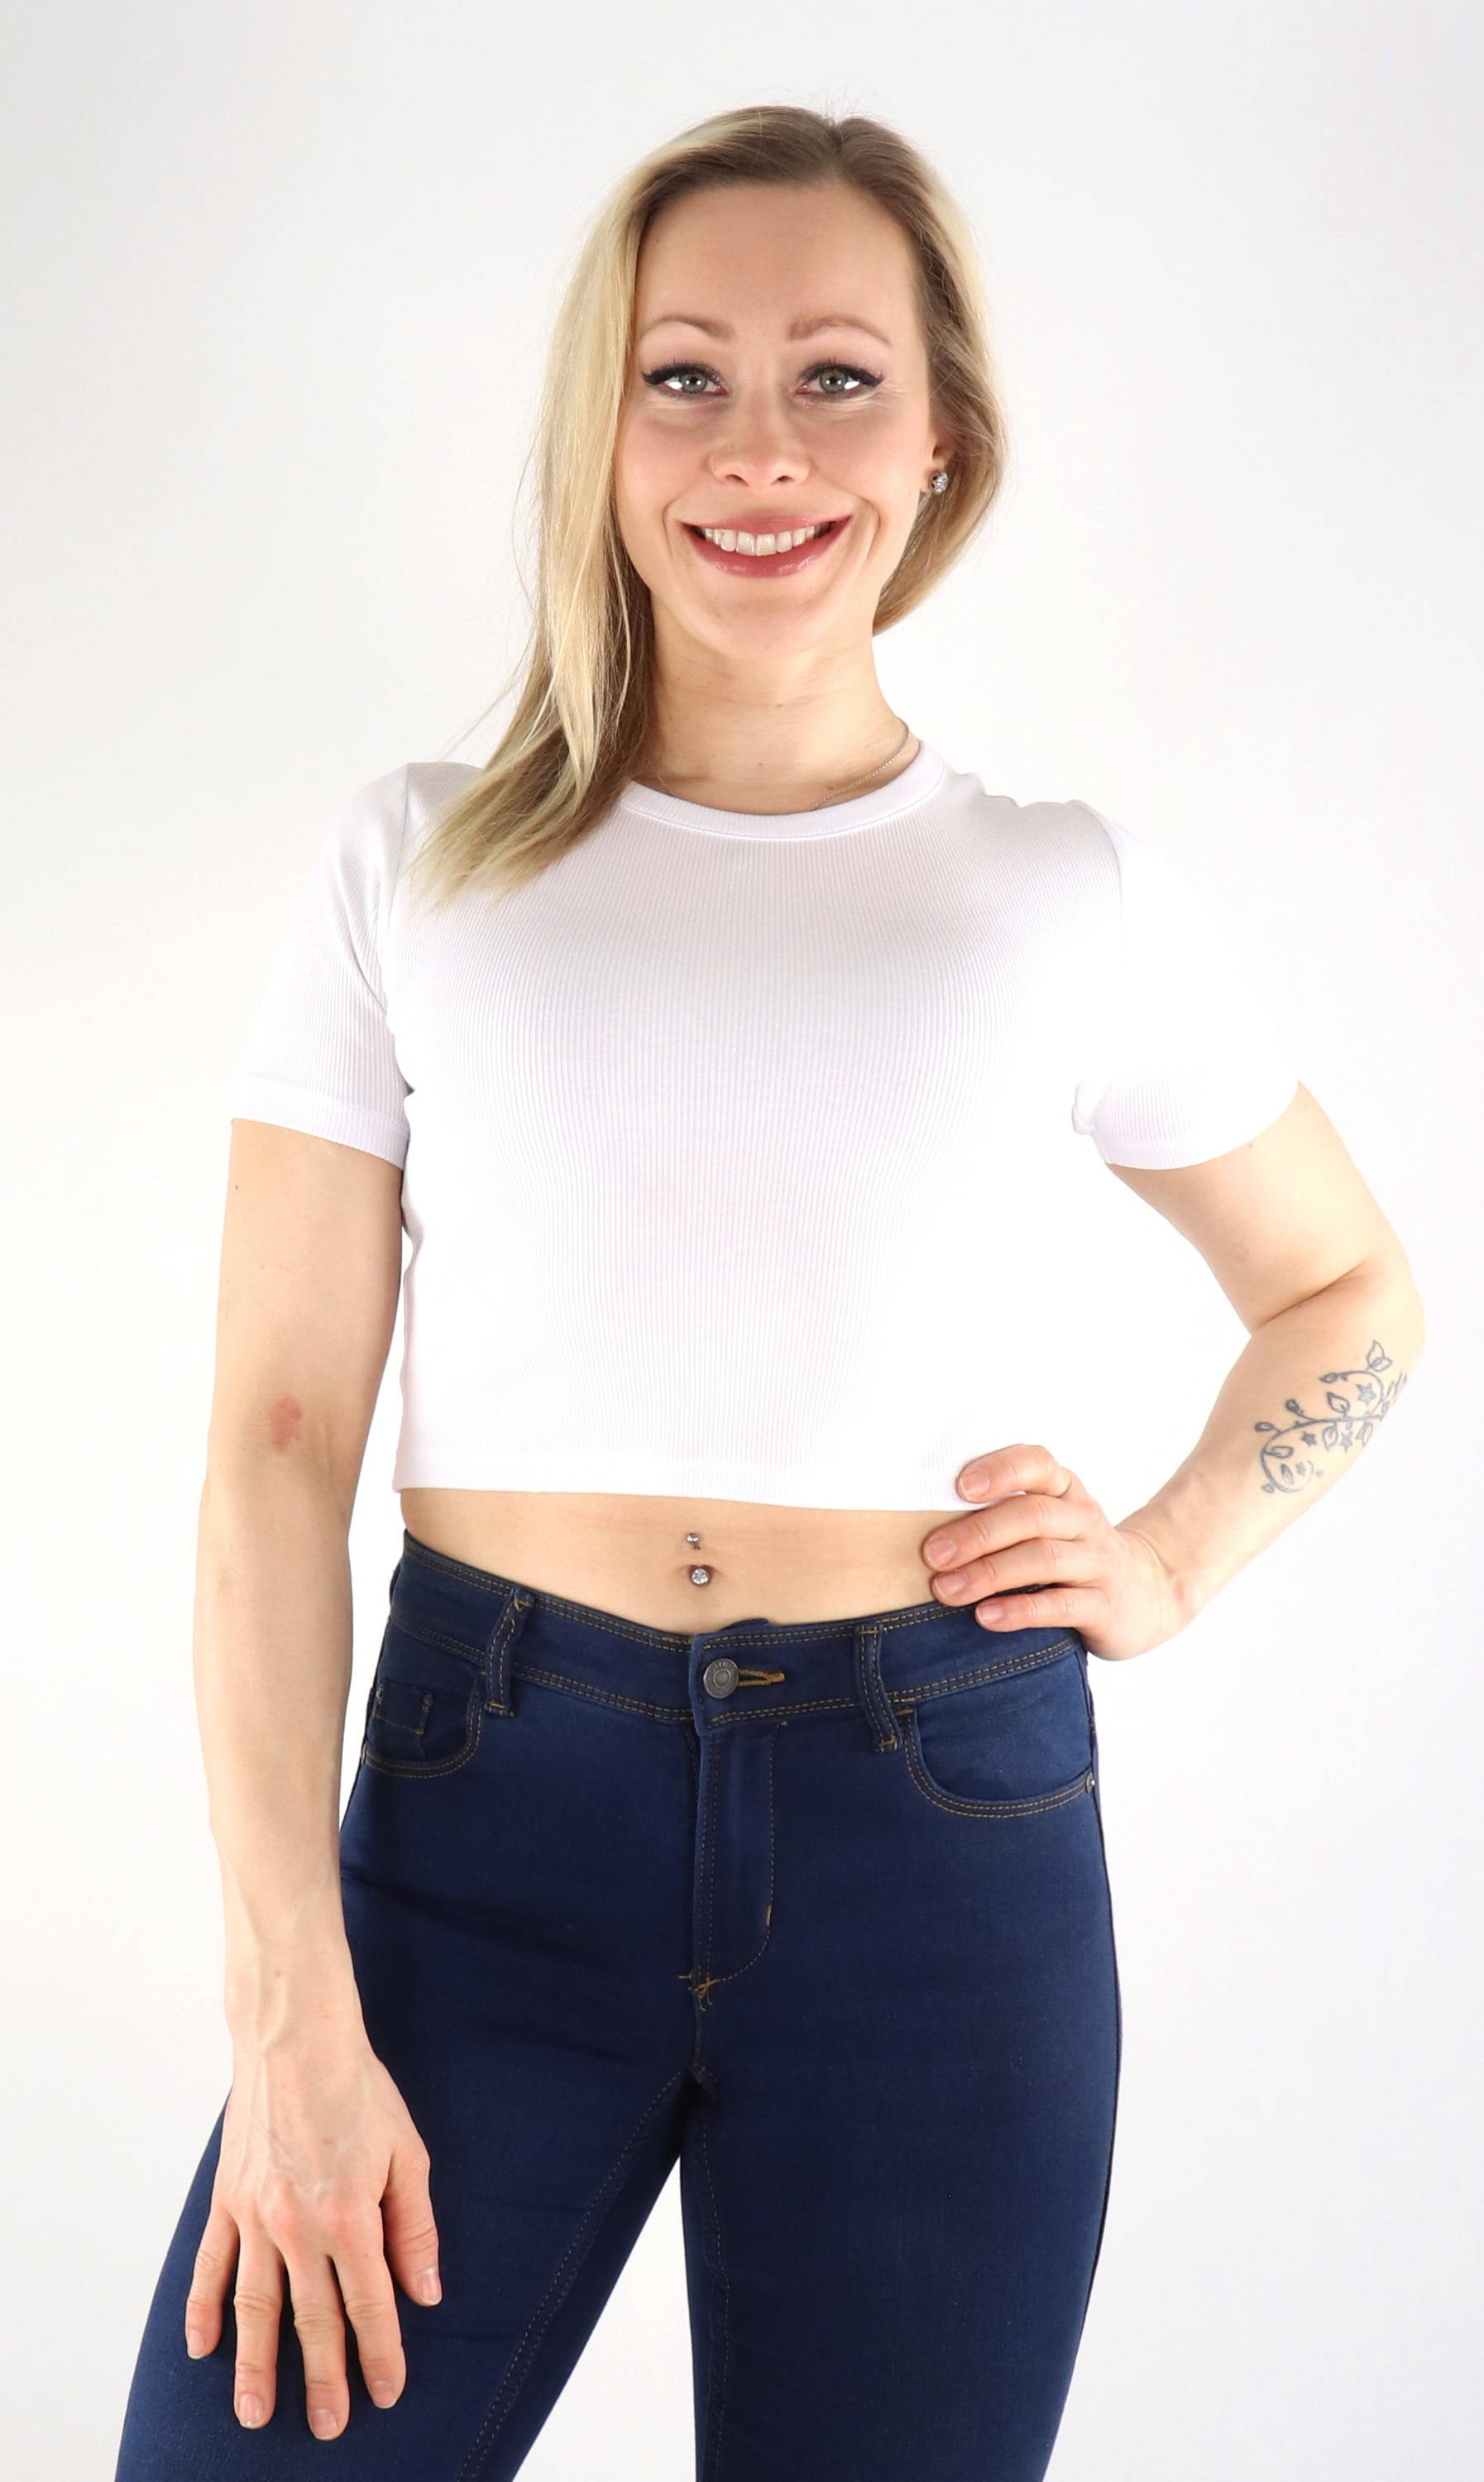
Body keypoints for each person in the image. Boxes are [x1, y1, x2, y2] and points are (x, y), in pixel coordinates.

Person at [113, 103, 1424, 2482]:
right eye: (682, 376)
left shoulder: (1061, 893)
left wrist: (1169, 1554)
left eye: (837, 377)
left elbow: (1345, 1287)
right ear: (598, 435)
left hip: (940, 1847)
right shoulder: (418, 864)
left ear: (942, 446)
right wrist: (290, 2006)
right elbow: (273, 1451)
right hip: (481, 1833)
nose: (759, 449)